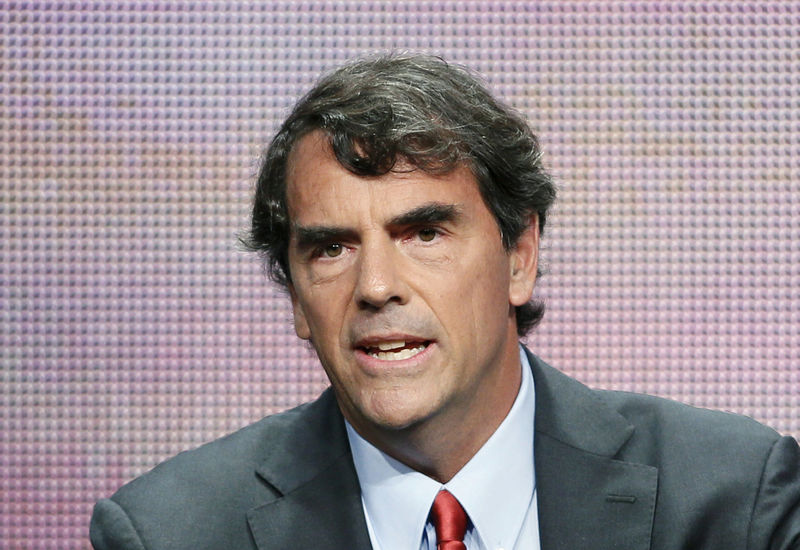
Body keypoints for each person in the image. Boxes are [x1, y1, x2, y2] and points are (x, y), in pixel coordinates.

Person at [90, 53, 800, 550]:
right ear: (298, 301)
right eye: (329, 248)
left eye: (423, 232)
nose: (374, 286)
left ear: (518, 257)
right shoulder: (170, 533)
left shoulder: (731, 499)